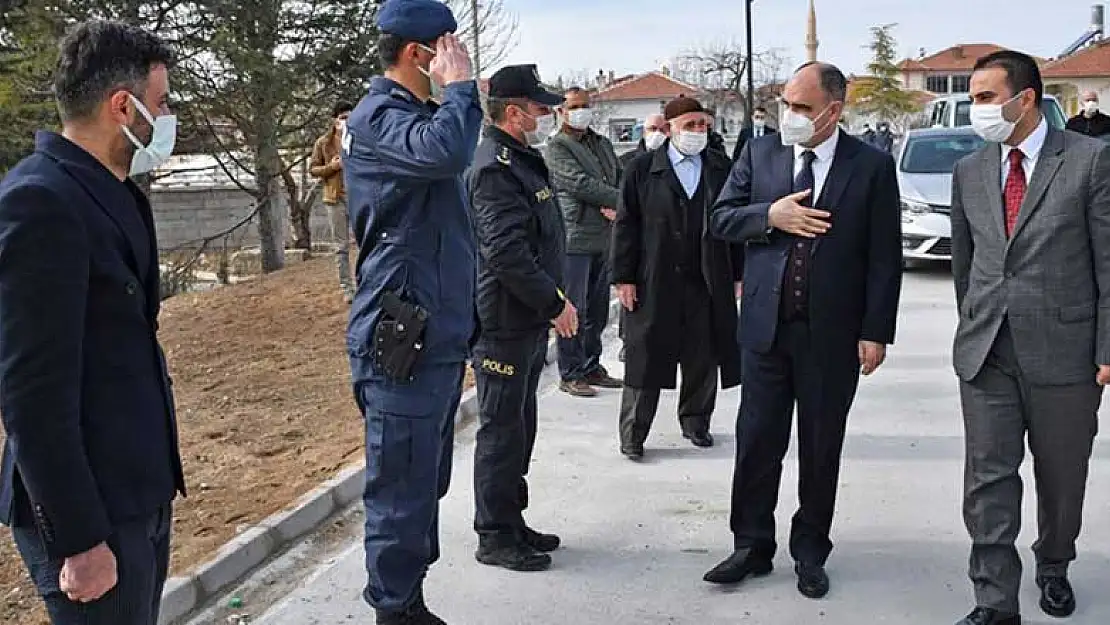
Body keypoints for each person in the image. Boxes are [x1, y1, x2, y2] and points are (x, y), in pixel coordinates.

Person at [0, 20, 184, 625]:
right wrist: (79, 540)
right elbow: (31, 395)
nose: (167, 117)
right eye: (160, 103)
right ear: (121, 106)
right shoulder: (40, 202)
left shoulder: (113, 189)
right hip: (92, 509)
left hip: (138, 489)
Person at [703, 62, 902, 598]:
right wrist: (771, 216)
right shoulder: (761, 153)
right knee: (756, 442)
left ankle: (810, 550)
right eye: (785, 104)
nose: (788, 116)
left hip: (832, 337)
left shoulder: (872, 167)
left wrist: (875, 330)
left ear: (833, 111)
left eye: (801, 108)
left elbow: (885, 258)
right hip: (766, 330)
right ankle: (751, 545)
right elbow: (720, 219)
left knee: (820, 447)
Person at [949, 51, 1110, 625]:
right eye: (974, 97)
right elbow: (965, 266)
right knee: (987, 476)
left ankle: (1054, 563)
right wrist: (972, 322)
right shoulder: (969, 170)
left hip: (1066, 351)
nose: (978, 109)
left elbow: (1108, 262)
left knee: (1061, 475)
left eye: (987, 97)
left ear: (1026, 98)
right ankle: (994, 600)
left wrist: (1107, 348)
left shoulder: (1090, 161)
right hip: (988, 349)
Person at [341, 0, 483, 622]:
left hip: (436, 334)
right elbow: (448, 153)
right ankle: (393, 610)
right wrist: (461, 91)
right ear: (417, 53)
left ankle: (409, 600)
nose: (455, 63)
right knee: (400, 490)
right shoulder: (379, 118)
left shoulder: (418, 119)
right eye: (447, 50)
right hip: (402, 337)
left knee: (424, 483)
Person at [468, 64, 575, 573]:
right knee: (501, 430)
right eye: (539, 108)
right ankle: (493, 535)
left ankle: (511, 519)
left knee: (521, 427)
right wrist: (555, 303)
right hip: (505, 322)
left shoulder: (522, 160)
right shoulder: (494, 168)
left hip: (526, 318)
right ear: (513, 112)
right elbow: (505, 253)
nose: (547, 115)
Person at [611, 96, 743, 459]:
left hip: (706, 275)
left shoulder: (719, 166)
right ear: (670, 129)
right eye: (690, 126)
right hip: (655, 276)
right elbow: (626, 225)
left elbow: (734, 221)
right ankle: (634, 433)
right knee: (646, 355)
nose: (698, 132)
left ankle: (696, 421)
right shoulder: (641, 169)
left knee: (704, 354)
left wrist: (737, 271)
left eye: (703, 125)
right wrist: (624, 277)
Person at [545, 87, 624, 397]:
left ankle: (592, 365)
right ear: (561, 112)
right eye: (574, 106)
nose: (581, 111)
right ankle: (571, 370)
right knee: (573, 309)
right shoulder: (557, 147)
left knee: (598, 309)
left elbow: (618, 174)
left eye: (585, 106)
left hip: (603, 237)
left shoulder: (601, 143)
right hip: (575, 236)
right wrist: (621, 201)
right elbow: (579, 184)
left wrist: (618, 202)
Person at [615, 113, 667, 362]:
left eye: (661, 128)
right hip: (637, 240)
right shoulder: (628, 162)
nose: (657, 133)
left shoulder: (672, 163)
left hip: (662, 239)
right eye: (652, 128)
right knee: (631, 297)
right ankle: (629, 342)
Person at [309, 101, 356, 302]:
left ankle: (367, 283)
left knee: (365, 242)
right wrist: (332, 166)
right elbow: (313, 169)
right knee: (341, 247)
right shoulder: (324, 143)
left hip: (357, 197)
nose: (346, 121)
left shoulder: (359, 138)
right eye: (343, 117)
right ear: (335, 120)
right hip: (335, 198)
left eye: (349, 117)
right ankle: (347, 288)